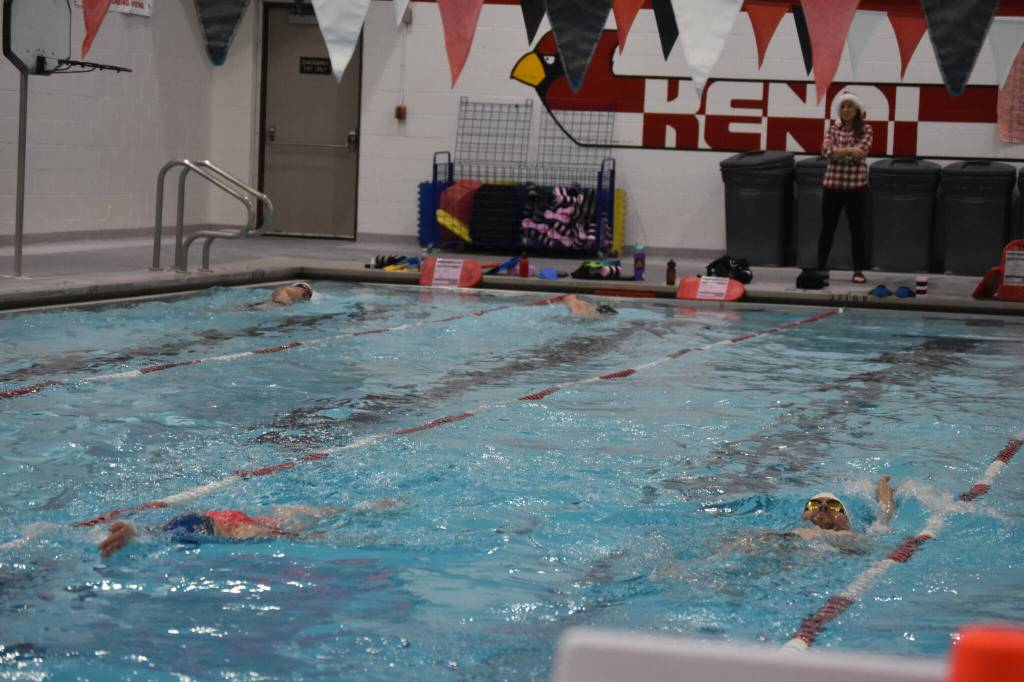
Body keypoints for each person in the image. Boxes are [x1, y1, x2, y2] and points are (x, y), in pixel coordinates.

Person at [98, 499, 397, 557]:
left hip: (225, 523)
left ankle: (375, 508)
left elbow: (155, 536)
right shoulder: (243, 528)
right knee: (326, 515)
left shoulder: (244, 531)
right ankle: (376, 507)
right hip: (222, 521)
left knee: (311, 522)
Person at [818, 91, 873, 284]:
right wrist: (849, 152)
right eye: (843, 106)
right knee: (827, 229)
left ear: (857, 110)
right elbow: (826, 151)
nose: (847, 109)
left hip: (856, 188)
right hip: (832, 186)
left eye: (850, 106)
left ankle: (858, 271)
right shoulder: (833, 129)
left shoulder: (866, 129)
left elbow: (862, 153)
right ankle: (820, 268)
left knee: (857, 230)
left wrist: (839, 153)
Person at [790, 476, 895, 542]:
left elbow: (885, 513)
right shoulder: (792, 536)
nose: (823, 506)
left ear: (847, 521)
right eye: (813, 504)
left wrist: (883, 487)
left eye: (834, 505)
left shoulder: (863, 538)